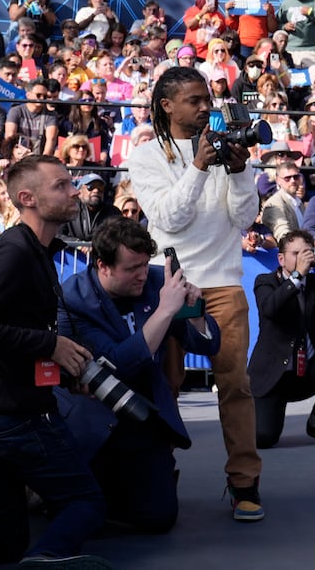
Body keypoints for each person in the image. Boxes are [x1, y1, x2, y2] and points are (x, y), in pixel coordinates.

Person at [0, 154, 108, 565]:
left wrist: (61, 362)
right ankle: (46, 560)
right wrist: (49, 345)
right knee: (86, 503)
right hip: (11, 418)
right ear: (27, 198)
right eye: (61, 185)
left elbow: (8, 331)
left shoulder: (36, 250)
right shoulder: (15, 252)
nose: (74, 190)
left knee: (3, 541)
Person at [125, 65, 266, 522]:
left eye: (207, 98)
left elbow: (244, 218)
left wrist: (241, 171)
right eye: (194, 100)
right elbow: (169, 218)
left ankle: (245, 483)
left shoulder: (226, 146)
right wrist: (201, 166)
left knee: (235, 385)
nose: (206, 107)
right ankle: (158, 473)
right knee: (163, 384)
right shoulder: (146, 155)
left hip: (224, 280)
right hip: (169, 281)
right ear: (167, 106)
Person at [57, 216, 220, 534]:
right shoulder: (74, 298)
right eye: (132, 268)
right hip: (96, 418)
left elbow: (209, 343)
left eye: (146, 264)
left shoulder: (159, 281)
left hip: (145, 415)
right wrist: (164, 311)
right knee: (81, 511)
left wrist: (195, 312)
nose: (143, 275)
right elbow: (117, 365)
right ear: (103, 265)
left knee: (159, 518)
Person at [249, 229, 315, 447]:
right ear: (281, 258)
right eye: (296, 253)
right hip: (274, 377)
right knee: (263, 438)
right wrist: (296, 276)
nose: (304, 259)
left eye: (308, 253)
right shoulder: (266, 281)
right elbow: (270, 309)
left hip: (307, 370)